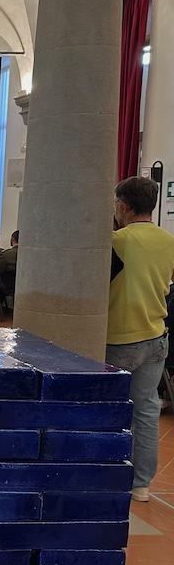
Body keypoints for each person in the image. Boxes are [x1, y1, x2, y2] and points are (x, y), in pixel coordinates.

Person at [108, 176, 174, 503]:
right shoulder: (168, 240)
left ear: (124, 205)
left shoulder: (116, 241)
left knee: (108, 407)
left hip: (119, 338)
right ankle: (141, 485)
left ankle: (105, 471)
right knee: (146, 410)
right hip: (156, 335)